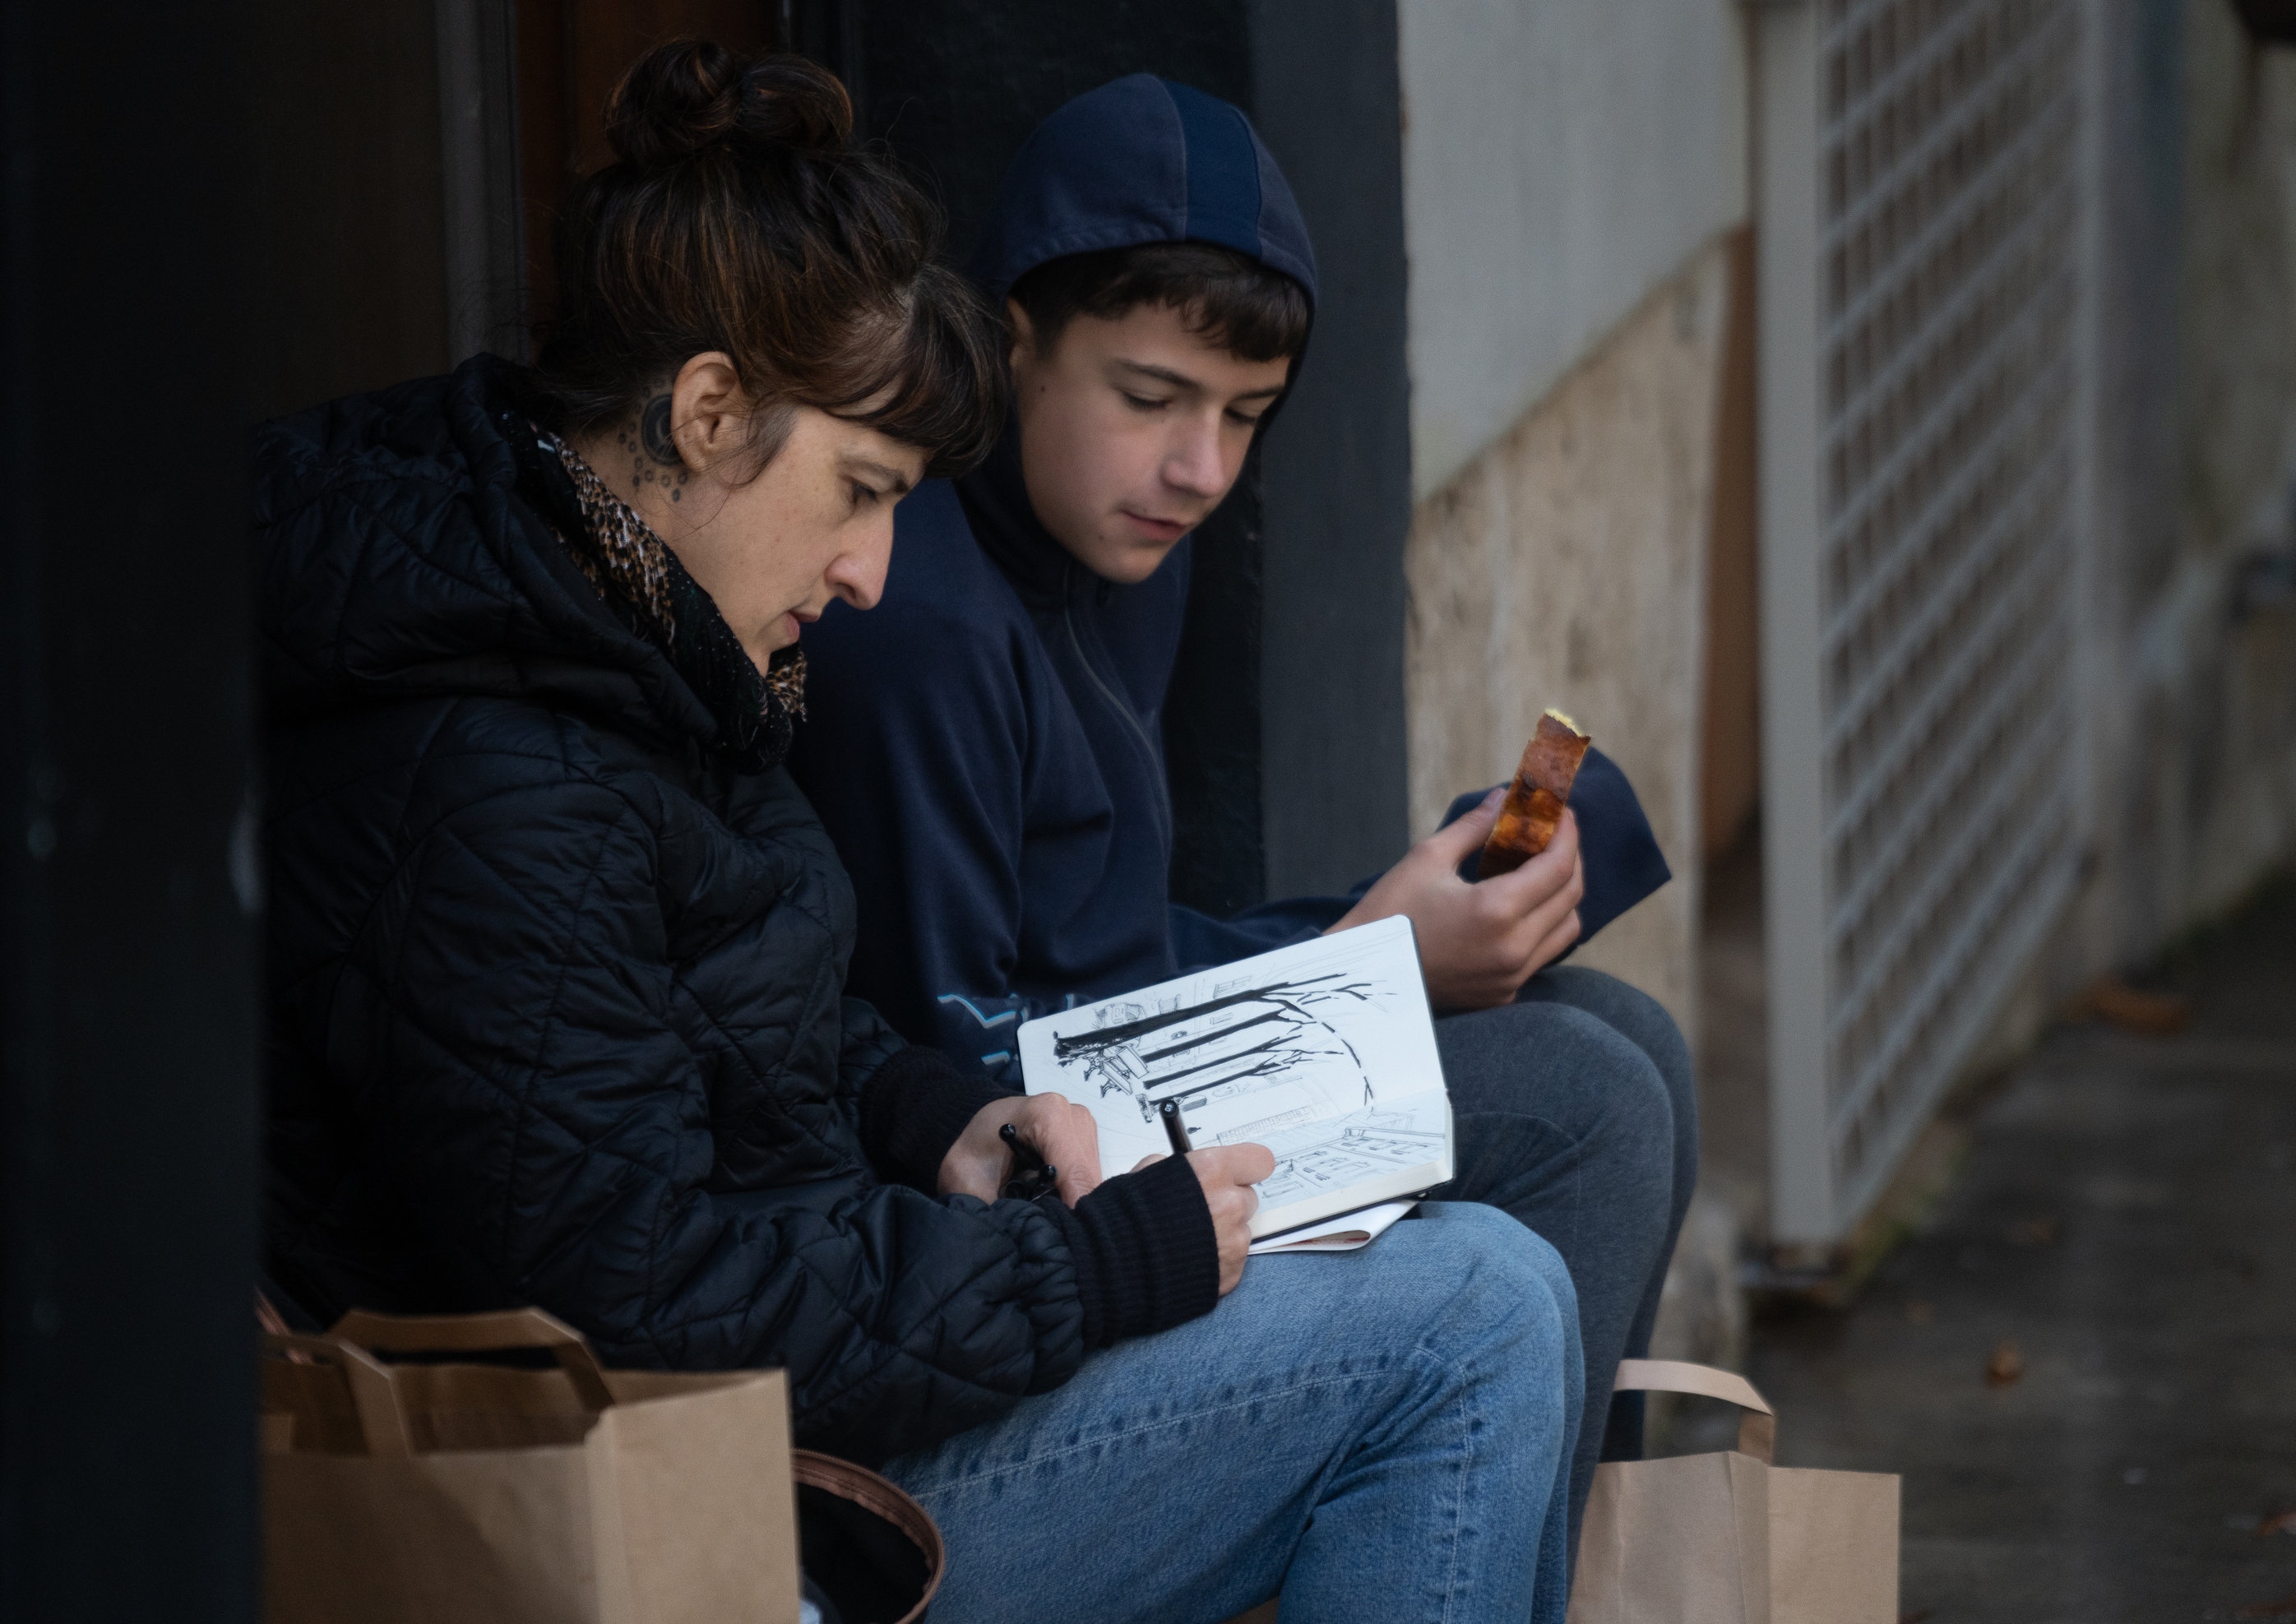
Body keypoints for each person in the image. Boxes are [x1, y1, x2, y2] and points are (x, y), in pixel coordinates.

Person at [257, 43, 1580, 1623]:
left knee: (1500, 1245)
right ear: (705, 412)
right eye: (862, 491)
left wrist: (936, 1117)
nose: (875, 570)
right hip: (727, 1509)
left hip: (821, 1377)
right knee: (1476, 1309)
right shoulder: (493, 775)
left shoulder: (621, 613)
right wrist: (1079, 1274)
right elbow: (643, 1310)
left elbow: (727, 1031)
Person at [789, 72, 1699, 1521]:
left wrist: (1389, 939)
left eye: (1248, 414)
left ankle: (1533, 1565)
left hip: (1142, 1057)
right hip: (1022, 1195)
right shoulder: (918, 624)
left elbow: (1117, 942)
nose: (1200, 469)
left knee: (1628, 1033)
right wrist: (1360, 969)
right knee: (1589, 1099)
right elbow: (945, 1068)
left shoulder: (1132, 530)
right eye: (1150, 398)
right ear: (1013, 341)